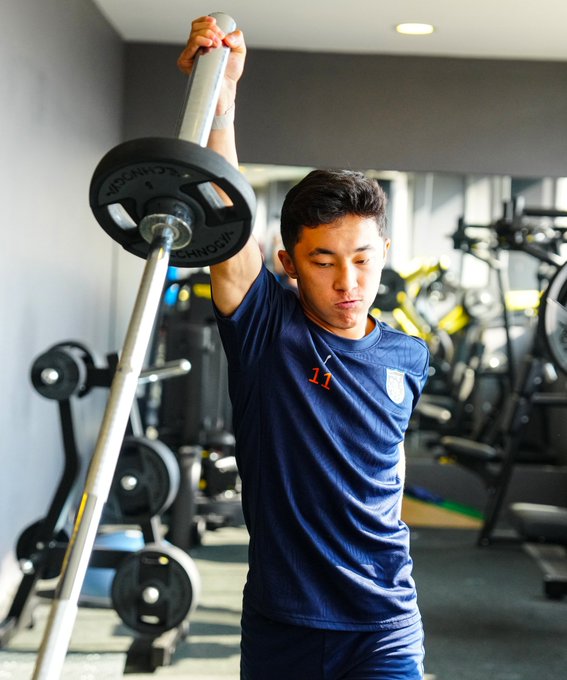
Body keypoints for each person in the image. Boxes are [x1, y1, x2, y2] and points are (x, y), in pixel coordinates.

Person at [178, 16, 430, 680]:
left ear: (384, 256)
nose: (348, 282)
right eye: (323, 261)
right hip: (282, 623)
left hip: (383, 622)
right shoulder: (268, 330)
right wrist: (221, 104)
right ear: (289, 262)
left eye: (361, 259)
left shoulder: (409, 355)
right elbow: (226, 228)